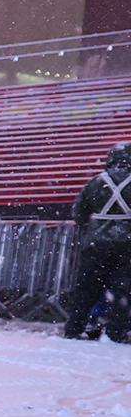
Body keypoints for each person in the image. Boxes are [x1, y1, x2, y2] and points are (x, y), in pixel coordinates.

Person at [63, 142, 131, 342]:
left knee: (85, 288)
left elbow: (79, 213)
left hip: (95, 244)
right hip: (127, 243)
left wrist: (94, 226)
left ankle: (74, 329)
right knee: (123, 290)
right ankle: (116, 332)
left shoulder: (95, 182)